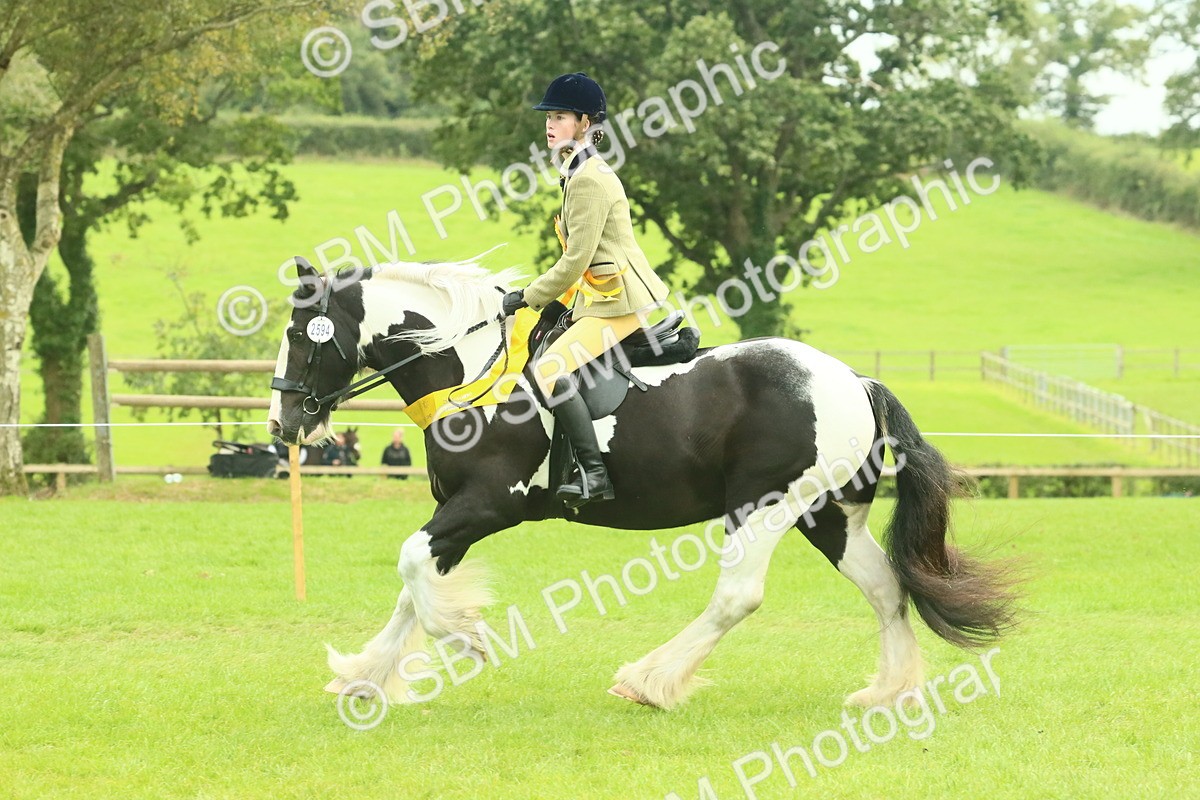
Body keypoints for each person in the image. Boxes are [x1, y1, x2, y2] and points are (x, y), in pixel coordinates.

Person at [500, 72, 670, 510]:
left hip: (620, 300)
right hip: (599, 295)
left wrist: (527, 296)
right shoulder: (575, 169)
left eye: (558, 116)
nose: (549, 124)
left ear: (584, 121)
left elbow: (576, 259)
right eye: (548, 117)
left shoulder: (589, 178)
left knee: (550, 369)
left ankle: (594, 474)